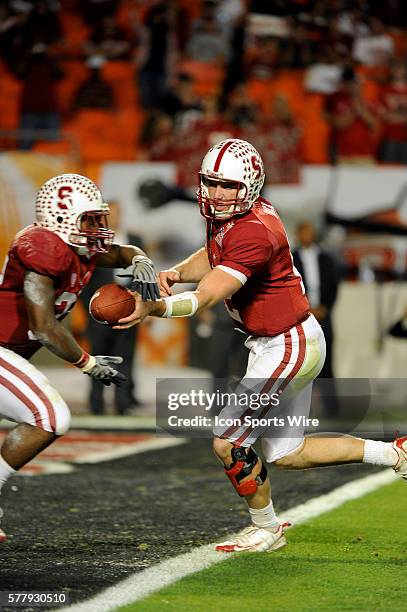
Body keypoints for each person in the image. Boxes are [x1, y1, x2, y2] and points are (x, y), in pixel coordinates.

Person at [116, 138, 407, 554]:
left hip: (286, 344)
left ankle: (266, 529)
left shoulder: (253, 230)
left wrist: (153, 308)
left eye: (228, 186)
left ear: (249, 186)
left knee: (228, 441)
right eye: (211, 183)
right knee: (288, 452)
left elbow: (210, 295)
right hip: (285, 340)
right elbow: (214, 254)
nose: (217, 193)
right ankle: (396, 455)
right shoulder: (235, 216)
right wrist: (176, 272)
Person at [0, 173, 159, 543]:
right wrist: (87, 363)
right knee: (50, 416)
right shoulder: (43, 248)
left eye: (99, 219)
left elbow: (121, 252)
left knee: (45, 417)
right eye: (89, 220)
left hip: (9, 353)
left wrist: (141, 259)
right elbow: (43, 328)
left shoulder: (80, 248)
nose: (99, 228)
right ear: (61, 218)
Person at [80, 200, 144, 415]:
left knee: (125, 357)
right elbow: (84, 280)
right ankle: (96, 402)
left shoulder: (135, 241)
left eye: (117, 213)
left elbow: (144, 277)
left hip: (130, 312)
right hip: (99, 315)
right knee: (98, 357)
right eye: (110, 214)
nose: (114, 218)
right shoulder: (92, 243)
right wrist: (92, 309)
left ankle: (122, 402)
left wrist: (143, 305)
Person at [292, 221, 341, 416]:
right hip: (300, 317)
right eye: (304, 231)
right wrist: (305, 307)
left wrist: (324, 308)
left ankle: (332, 407)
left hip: (323, 315)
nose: (307, 235)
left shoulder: (326, 259)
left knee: (327, 359)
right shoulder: (291, 258)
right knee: (302, 361)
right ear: (298, 234)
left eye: (310, 231)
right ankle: (302, 408)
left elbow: (333, 286)